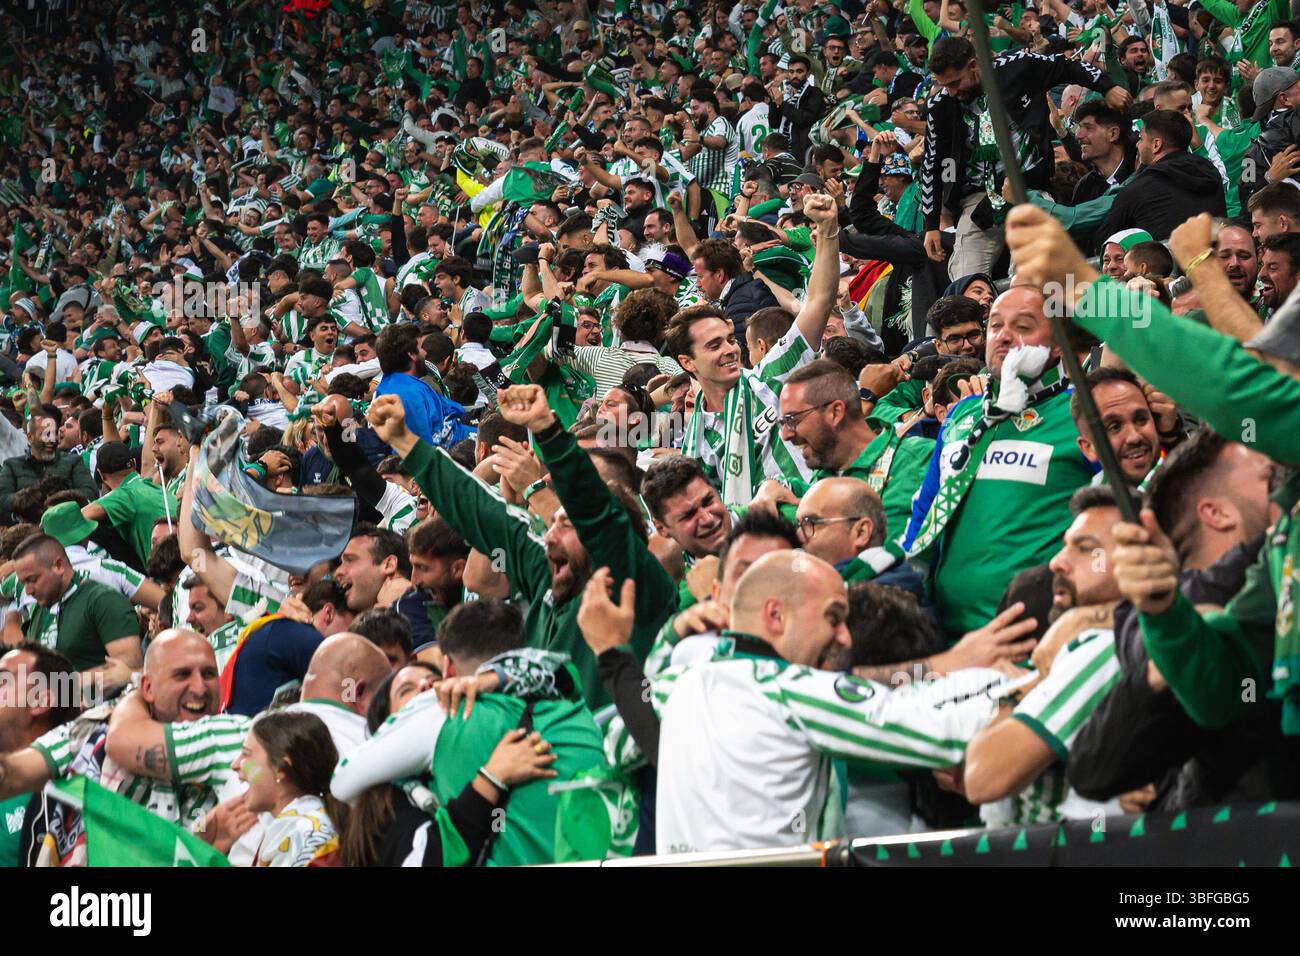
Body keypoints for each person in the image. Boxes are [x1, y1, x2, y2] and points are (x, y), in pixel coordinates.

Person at [365, 388, 677, 707]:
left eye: (566, 524)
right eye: (553, 522)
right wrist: (404, 441)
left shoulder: (636, 582)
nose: (550, 534)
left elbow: (594, 509)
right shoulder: (548, 574)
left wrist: (547, 429)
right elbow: (479, 510)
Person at [331, 600, 605, 865]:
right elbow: (562, 670)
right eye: (407, 691)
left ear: (448, 670)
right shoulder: (574, 706)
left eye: (434, 682)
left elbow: (342, 782)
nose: (427, 690)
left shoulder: (440, 710)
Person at [905, 286, 1096, 640]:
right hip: (942, 634)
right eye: (994, 326)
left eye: (1023, 327)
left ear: (1057, 345)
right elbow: (926, 508)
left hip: (1032, 638)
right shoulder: (963, 413)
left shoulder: (1083, 413)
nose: (1004, 336)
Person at [920, 36, 1130, 278]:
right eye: (945, 85)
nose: (951, 91)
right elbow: (933, 165)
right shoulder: (940, 105)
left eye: (955, 83)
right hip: (979, 199)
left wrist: (1108, 87)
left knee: (1029, 274)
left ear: (973, 65)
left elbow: (1067, 66)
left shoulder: (1018, 66)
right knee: (964, 281)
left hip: (1030, 188)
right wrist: (931, 225)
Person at [11, 533, 142, 679]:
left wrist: (69, 686)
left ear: (59, 566)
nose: (28, 591)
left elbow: (129, 669)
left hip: (96, 699)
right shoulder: (39, 609)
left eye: (33, 580)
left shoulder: (103, 600)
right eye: (24, 583)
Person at [235, 711, 342, 867]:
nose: (235, 764)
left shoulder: (308, 834)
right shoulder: (293, 826)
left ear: (281, 767)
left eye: (246, 754)